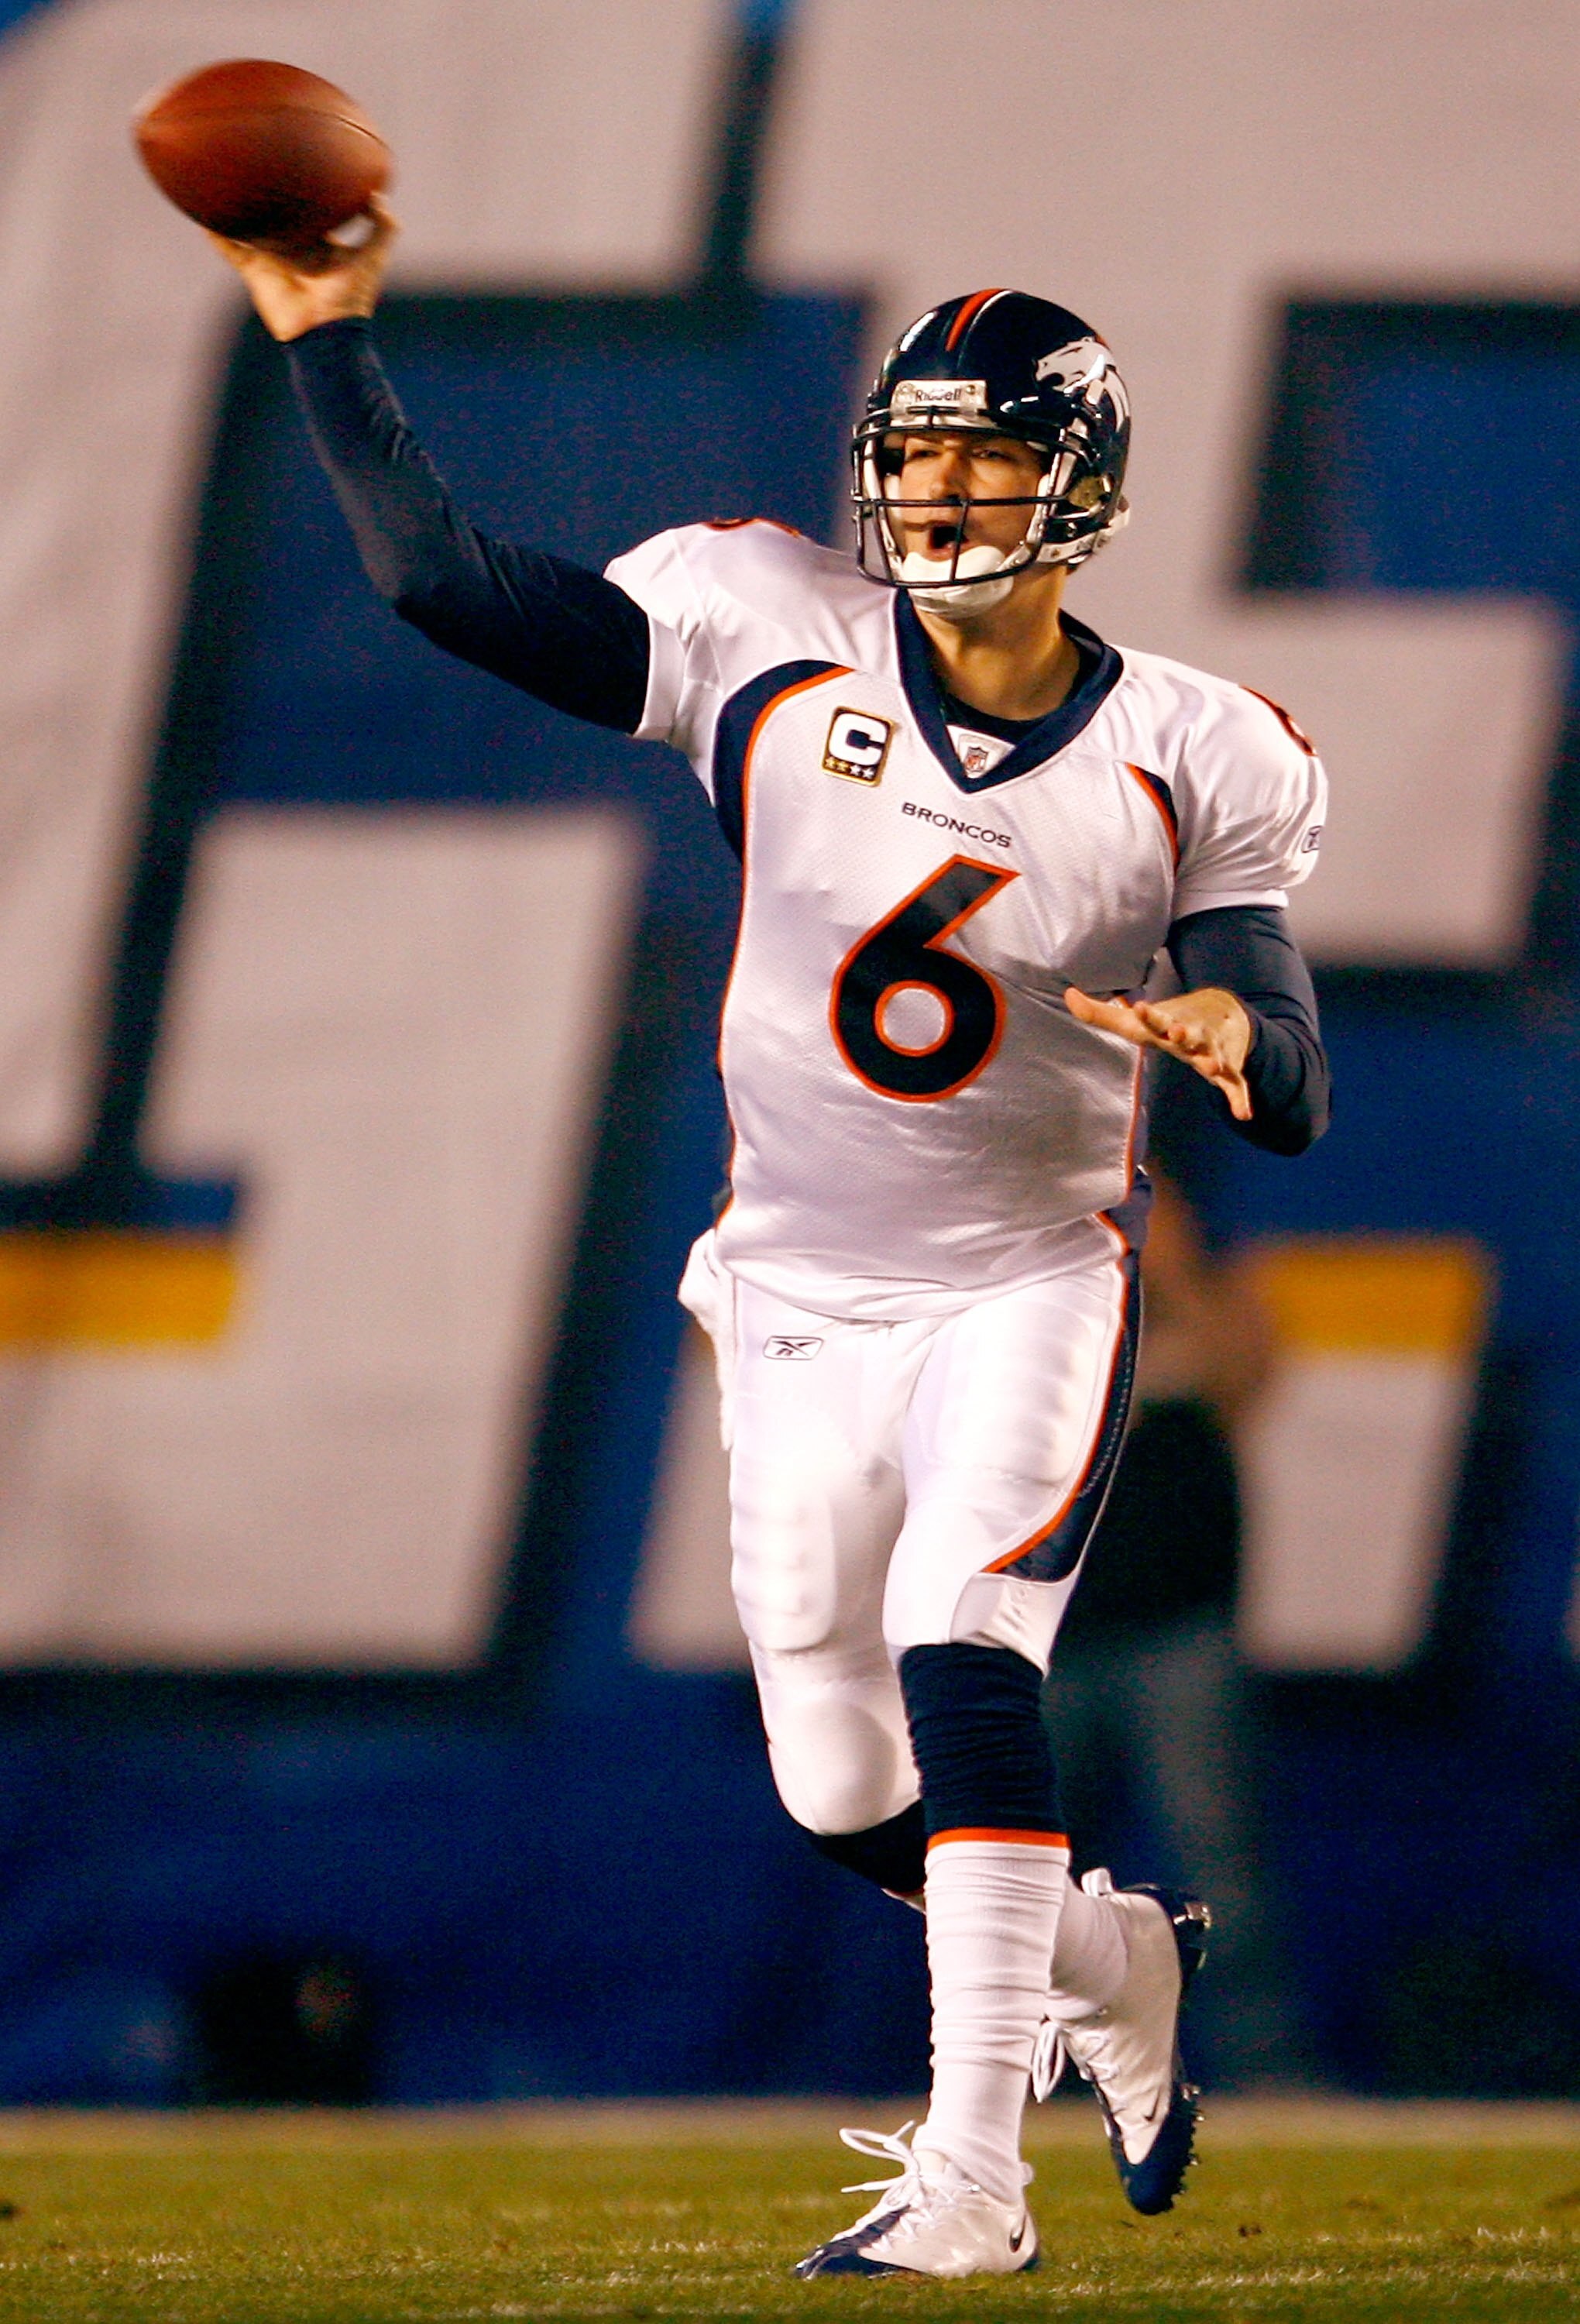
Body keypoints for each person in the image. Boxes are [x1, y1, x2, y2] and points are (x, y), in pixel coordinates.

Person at [210, 214, 1331, 2281]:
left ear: (1079, 481)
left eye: (985, 456)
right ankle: (1109, 1970)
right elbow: (439, 582)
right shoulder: (764, 625)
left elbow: (1291, 1061)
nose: (935, 491)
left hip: (1028, 1271)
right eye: (914, 452)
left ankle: (976, 2185)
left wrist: (1228, 1038)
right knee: (834, 1782)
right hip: (800, 1298)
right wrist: (325, 330)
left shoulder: (1197, 745)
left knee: (962, 1647)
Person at [1042, 1166, 1310, 2087]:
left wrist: (1182, 1269)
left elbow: (1248, 1375)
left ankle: (1265, 2068)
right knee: (1019, 1881)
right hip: (1041, 1636)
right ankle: (1006, 2083)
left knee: (1220, 1865)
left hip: (1176, 1631)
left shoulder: (1193, 1304)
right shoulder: (1025, 1315)